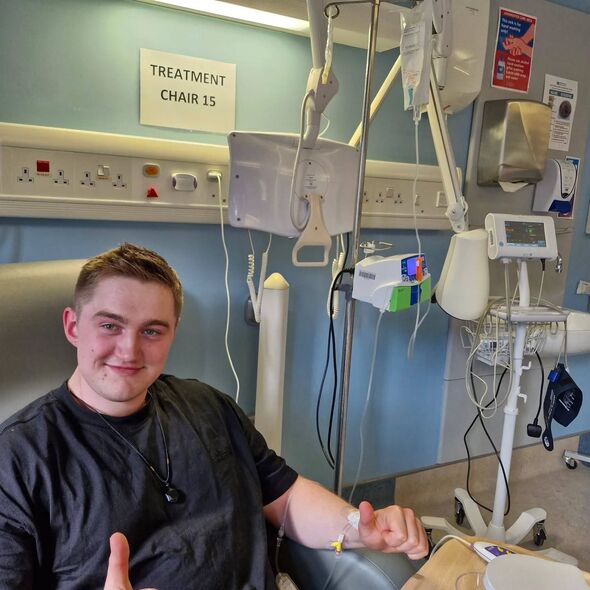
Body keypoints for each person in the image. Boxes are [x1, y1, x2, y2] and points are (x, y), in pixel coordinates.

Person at [0, 243, 427, 589]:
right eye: (110, 326)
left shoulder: (208, 407)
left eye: (151, 330)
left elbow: (287, 498)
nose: (129, 350)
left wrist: (357, 527)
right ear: (73, 327)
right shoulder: (19, 459)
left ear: (172, 333)